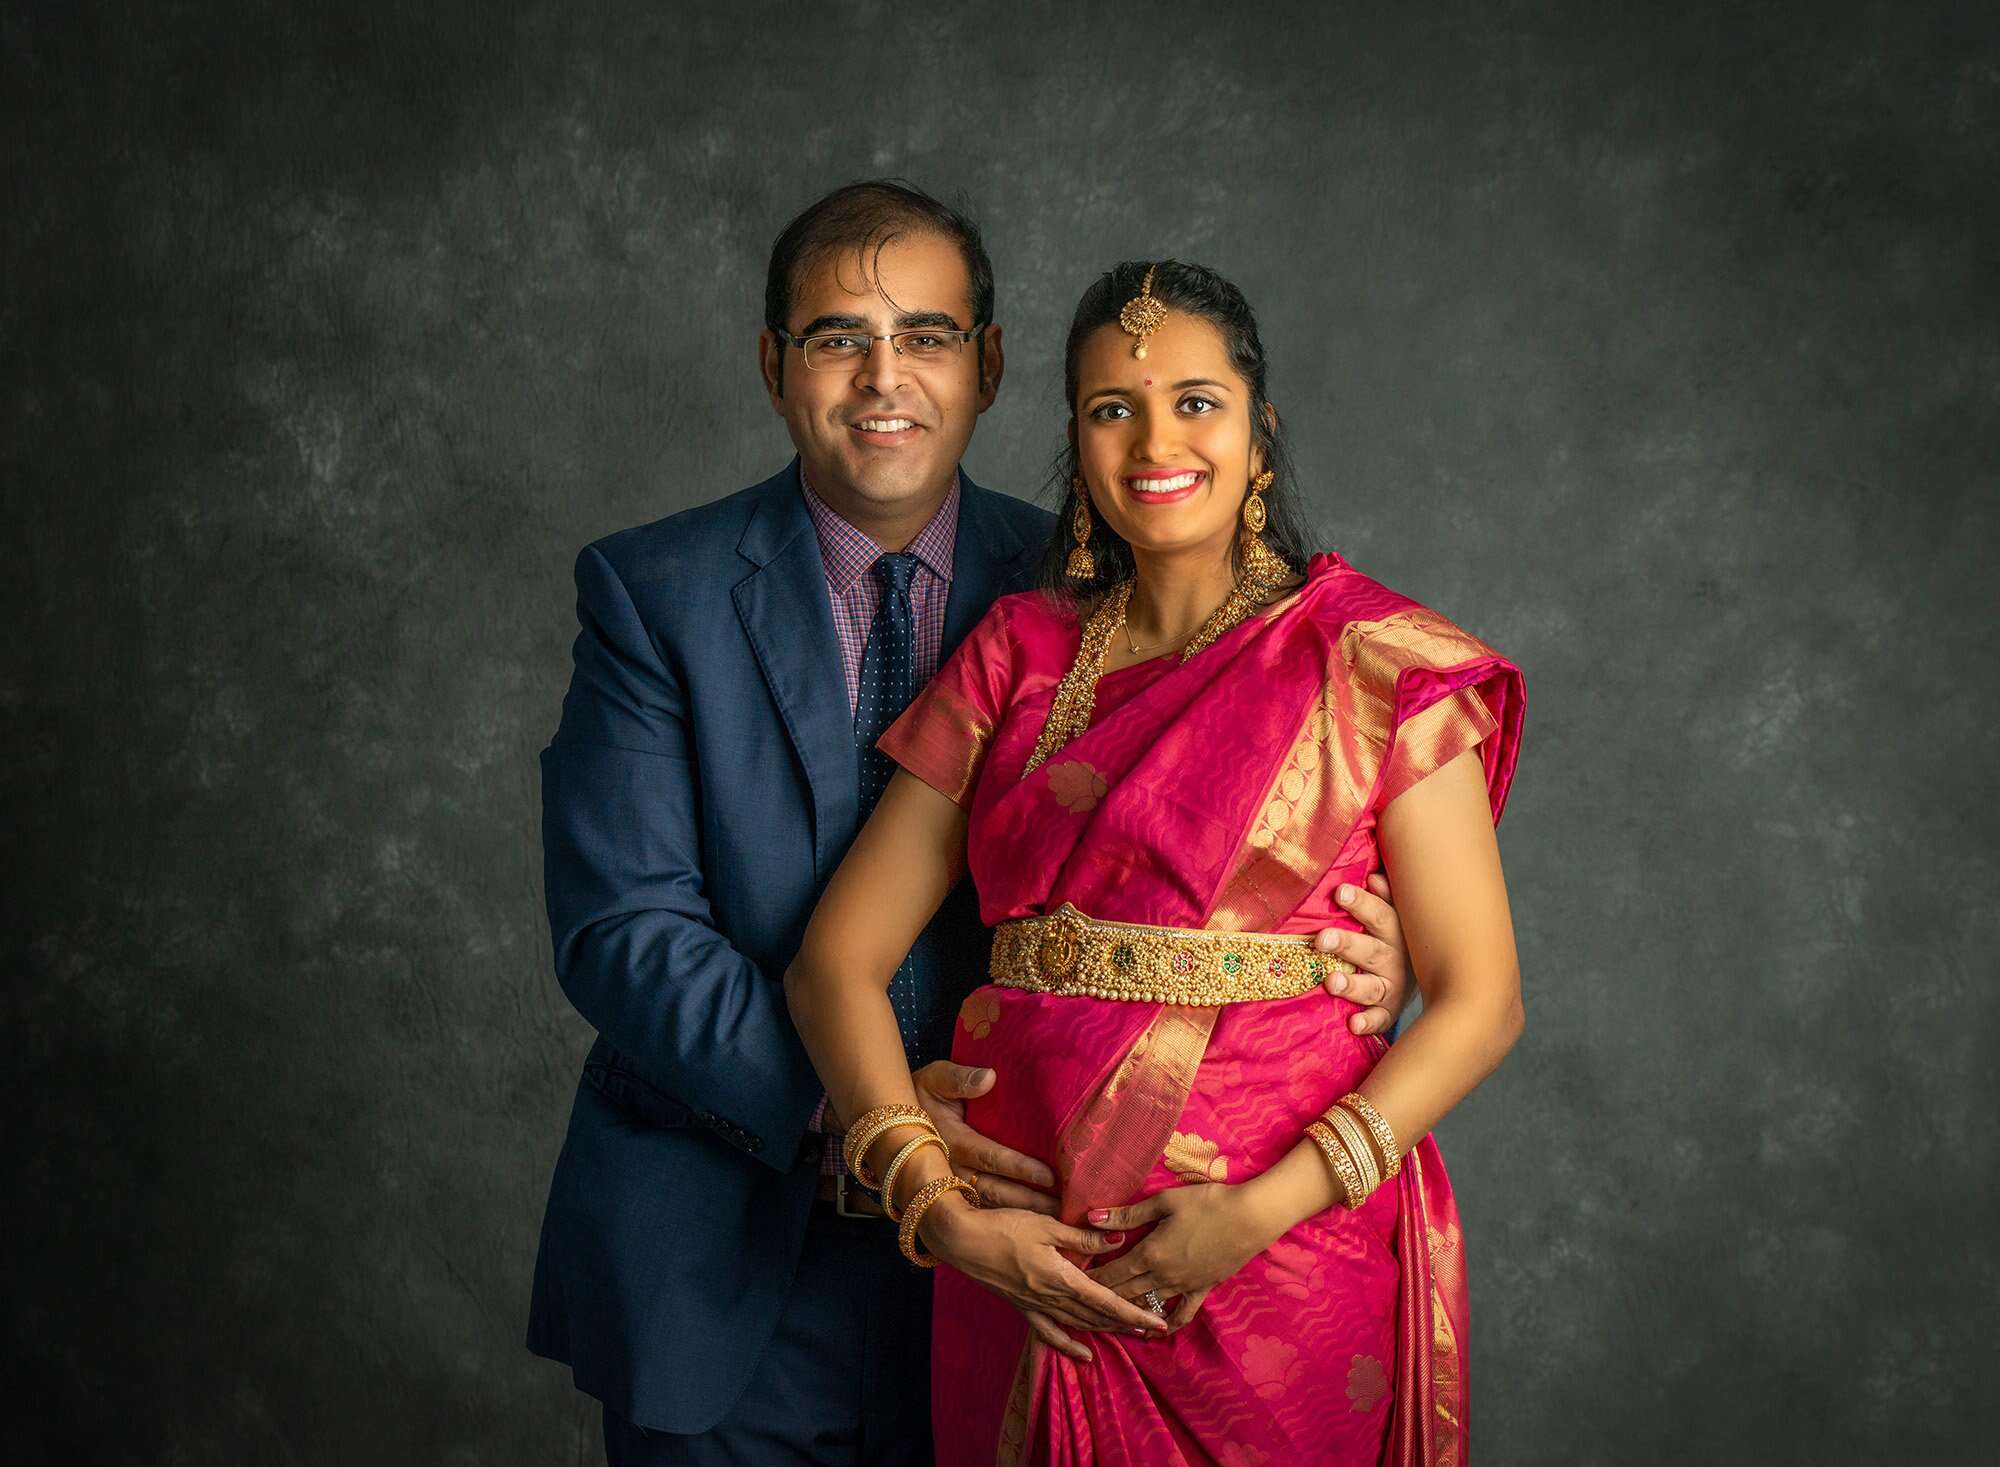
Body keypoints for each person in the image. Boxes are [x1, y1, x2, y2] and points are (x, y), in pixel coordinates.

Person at [528, 183, 1423, 1465]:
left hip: (1038, 1255)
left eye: (928, 335)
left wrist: (1354, 952)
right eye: (837, 336)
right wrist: (884, 1132)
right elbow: (622, 931)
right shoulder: (651, 592)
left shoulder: (1095, 588)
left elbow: (1229, 856)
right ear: (772, 364)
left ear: (990, 364)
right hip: (733, 1234)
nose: (882, 376)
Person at [784, 259, 1527, 1465]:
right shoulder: (1016, 653)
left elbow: (1480, 1002)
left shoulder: (1376, 664)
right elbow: (834, 965)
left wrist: (1253, 1215)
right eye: (1110, 409)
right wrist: (933, 1207)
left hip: (1265, 1264)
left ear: (1257, 429)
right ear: (1074, 439)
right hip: (1009, 1267)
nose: (1152, 442)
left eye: (1195, 401)